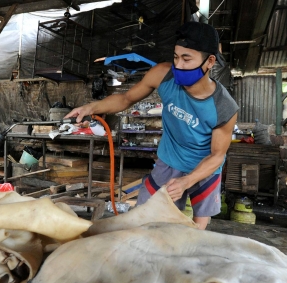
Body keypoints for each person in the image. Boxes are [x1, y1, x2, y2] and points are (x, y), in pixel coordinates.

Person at [65, 21, 239, 229]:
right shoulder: (164, 75)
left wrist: (187, 181)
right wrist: (92, 107)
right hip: (169, 161)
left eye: (186, 59)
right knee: (144, 221)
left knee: (196, 232)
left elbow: (217, 156)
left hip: (204, 169)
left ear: (210, 61)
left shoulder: (224, 107)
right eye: (176, 57)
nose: (179, 66)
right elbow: (127, 98)